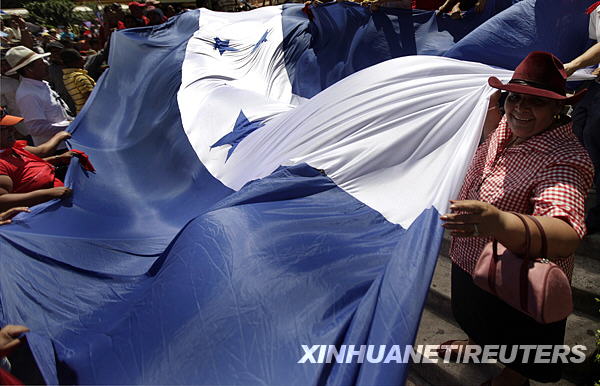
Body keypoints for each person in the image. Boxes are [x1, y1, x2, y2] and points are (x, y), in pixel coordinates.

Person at [439, 51, 593, 385]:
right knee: (475, 314)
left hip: (519, 277)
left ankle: (513, 377)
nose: (521, 109)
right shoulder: (505, 129)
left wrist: (499, 223)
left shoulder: (566, 159)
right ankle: (477, 343)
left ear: (558, 109)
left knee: (517, 335)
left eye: (536, 102)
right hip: (471, 258)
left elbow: (566, 232)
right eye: (515, 98)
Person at [564, 1, 600, 234]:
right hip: (595, 82)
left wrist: (573, 65)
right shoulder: (596, 8)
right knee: (578, 130)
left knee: (594, 136)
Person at [0, 108, 73, 212]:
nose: (13, 130)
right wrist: (47, 194)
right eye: (5, 128)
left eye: (11, 126)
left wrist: (57, 158)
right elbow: (1, 202)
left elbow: (26, 167)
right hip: (40, 216)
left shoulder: (11, 147)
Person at [5, 46, 73, 147]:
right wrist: (69, 126)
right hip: (56, 148)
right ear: (29, 70)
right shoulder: (28, 94)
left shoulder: (42, 84)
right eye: (41, 63)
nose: (46, 64)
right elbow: (37, 128)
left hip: (66, 142)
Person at [60, 49, 96, 114]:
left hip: (81, 112)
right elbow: (90, 98)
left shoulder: (66, 76)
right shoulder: (79, 77)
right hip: (91, 113)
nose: (83, 61)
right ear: (78, 60)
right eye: (81, 59)